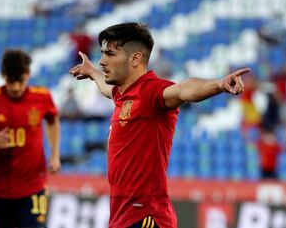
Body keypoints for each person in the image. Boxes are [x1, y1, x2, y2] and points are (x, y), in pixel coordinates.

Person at [70, 22, 250, 228]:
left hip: (146, 215)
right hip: (124, 216)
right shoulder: (123, 95)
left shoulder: (151, 91)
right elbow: (105, 89)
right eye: (102, 54)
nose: (102, 61)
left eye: (110, 54)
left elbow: (183, 90)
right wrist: (92, 72)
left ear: (135, 58)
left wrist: (218, 85)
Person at [0, 49, 61, 228]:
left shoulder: (42, 97)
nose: (16, 87)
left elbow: (53, 120)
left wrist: (55, 154)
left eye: (20, 81)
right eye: (11, 81)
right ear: (3, 75)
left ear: (28, 74)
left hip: (34, 187)